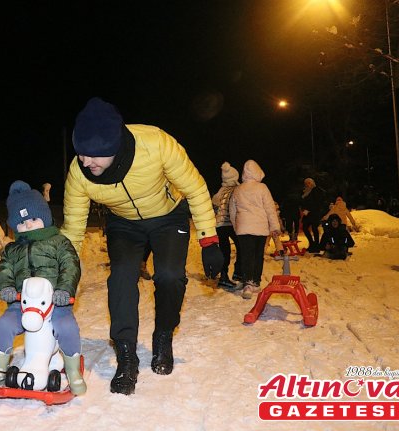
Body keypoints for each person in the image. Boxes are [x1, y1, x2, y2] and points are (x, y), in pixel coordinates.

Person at [60, 97, 223, 395]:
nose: (87, 162)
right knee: (121, 276)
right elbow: (73, 229)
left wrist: (209, 239)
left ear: (115, 145)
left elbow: (195, 187)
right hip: (124, 223)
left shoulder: (156, 144)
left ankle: (164, 335)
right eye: (82, 154)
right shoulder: (79, 174)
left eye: (95, 156)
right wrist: (60, 267)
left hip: (168, 215)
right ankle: (126, 354)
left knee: (170, 275)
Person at [0, 180, 86, 395]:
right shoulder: (12, 249)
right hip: (22, 304)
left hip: (54, 302)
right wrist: (6, 287)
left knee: (66, 327)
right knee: (3, 325)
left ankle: (72, 370)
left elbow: (70, 266)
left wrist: (64, 290)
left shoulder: (59, 242)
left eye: (33, 219)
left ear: (44, 217)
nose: (28, 225)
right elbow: (3, 271)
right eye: (21, 222)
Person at [228, 160, 282, 299]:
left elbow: (232, 211)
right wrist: (275, 227)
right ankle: (256, 282)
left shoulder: (238, 189)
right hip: (260, 227)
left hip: (244, 228)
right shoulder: (262, 188)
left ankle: (247, 283)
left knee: (246, 256)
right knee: (258, 255)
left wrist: (236, 226)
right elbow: (270, 209)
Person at [211, 162, 243, 289]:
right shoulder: (238, 190)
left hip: (219, 225)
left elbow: (214, 206)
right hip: (232, 224)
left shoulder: (220, 191)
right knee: (242, 246)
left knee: (224, 251)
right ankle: (238, 272)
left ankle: (223, 276)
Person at [300, 178, 326, 253]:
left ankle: (316, 246)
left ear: (312, 183)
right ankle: (312, 243)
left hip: (315, 213)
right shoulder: (305, 192)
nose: (307, 184)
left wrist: (309, 209)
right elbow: (303, 202)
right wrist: (303, 209)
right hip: (307, 214)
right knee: (305, 228)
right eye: (306, 183)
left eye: (309, 183)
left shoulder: (316, 190)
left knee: (315, 228)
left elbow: (317, 202)